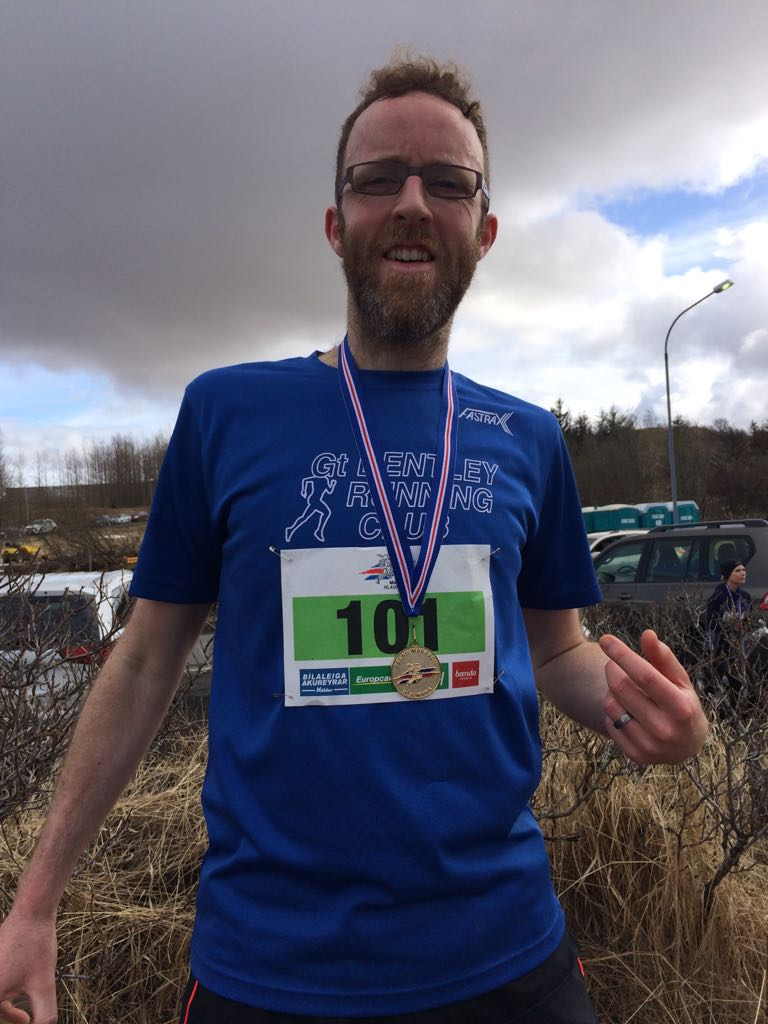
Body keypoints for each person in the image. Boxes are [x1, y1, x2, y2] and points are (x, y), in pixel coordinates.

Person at [0, 56, 708, 1024]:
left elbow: (556, 652)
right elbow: (145, 660)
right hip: (270, 970)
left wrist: (644, 717)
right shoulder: (226, 414)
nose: (412, 203)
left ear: (484, 230)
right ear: (337, 224)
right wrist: (36, 902)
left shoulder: (527, 438)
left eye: (447, 182)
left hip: (505, 956)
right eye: (379, 180)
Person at [706, 560, 752, 692]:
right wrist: (728, 625)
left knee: (738, 680)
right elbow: (711, 621)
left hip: (738, 644)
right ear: (728, 575)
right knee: (715, 679)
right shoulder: (718, 596)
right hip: (721, 644)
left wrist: (744, 625)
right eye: (737, 571)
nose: (743, 573)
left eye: (743, 570)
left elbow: (749, 618)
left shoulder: (745, 596)